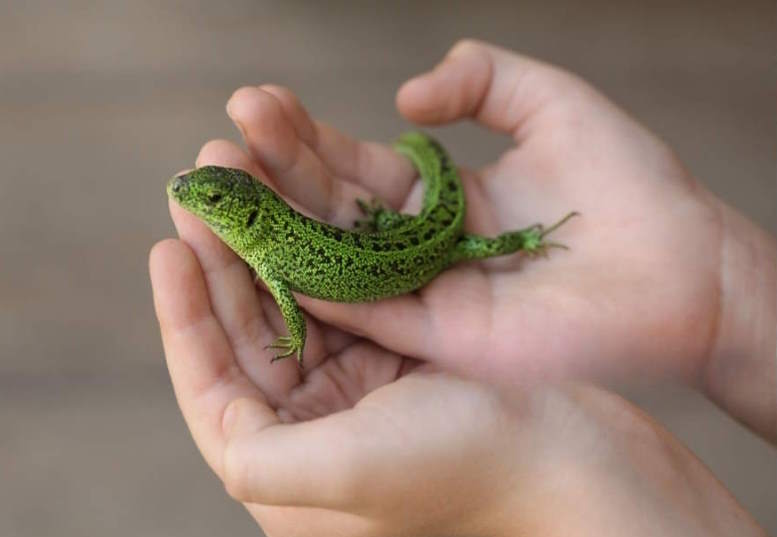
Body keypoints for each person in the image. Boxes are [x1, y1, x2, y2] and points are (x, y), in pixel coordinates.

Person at [149, 39, 774, 536]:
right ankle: (482, 229)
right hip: (416, 241)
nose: (191, 197)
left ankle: (524, 239)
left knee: (470, 247)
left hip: (435, 245)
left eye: (208, 199)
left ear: (248, 207)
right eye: (206, 198)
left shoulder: (270, 255)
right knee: (443, 240)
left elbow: (294, 310)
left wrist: (293, 342)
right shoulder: (266, 237)